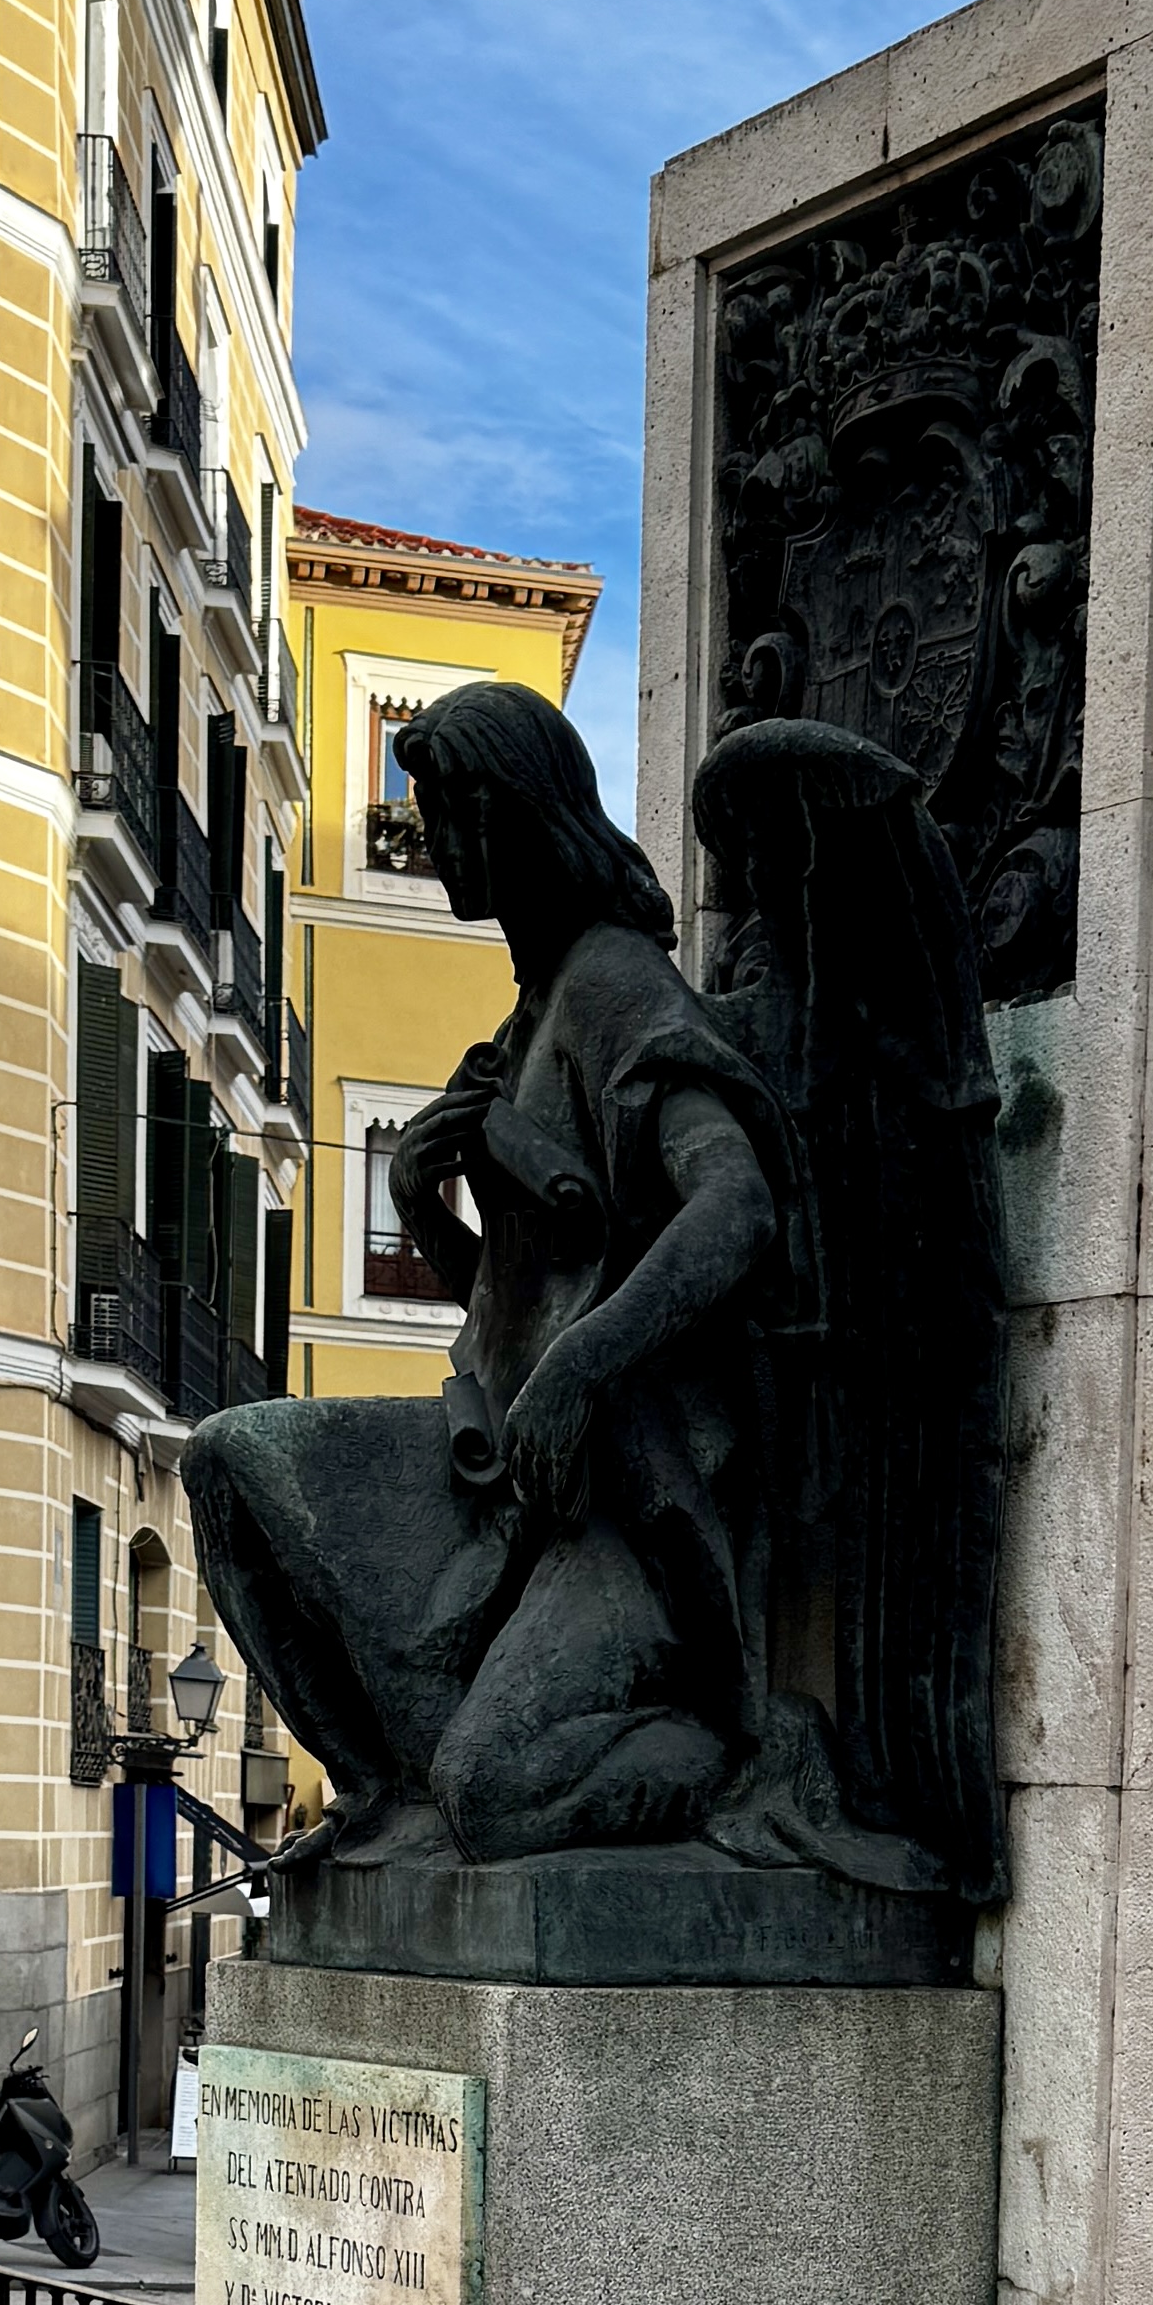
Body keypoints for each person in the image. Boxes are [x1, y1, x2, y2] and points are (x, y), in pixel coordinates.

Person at [180, 682, 795, 1868]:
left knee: (498, 1790)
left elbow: (737, 1207)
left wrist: (583, 1366)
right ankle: (379, 1786)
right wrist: (423, 1206)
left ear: (514, 816)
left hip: (623, 1496)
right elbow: (527, 1296)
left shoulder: (619, 987)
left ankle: (729, 1753)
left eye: (448, 814)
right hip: (504, 1460)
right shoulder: (526, 1021)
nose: (430, 840)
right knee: (228, 1464)